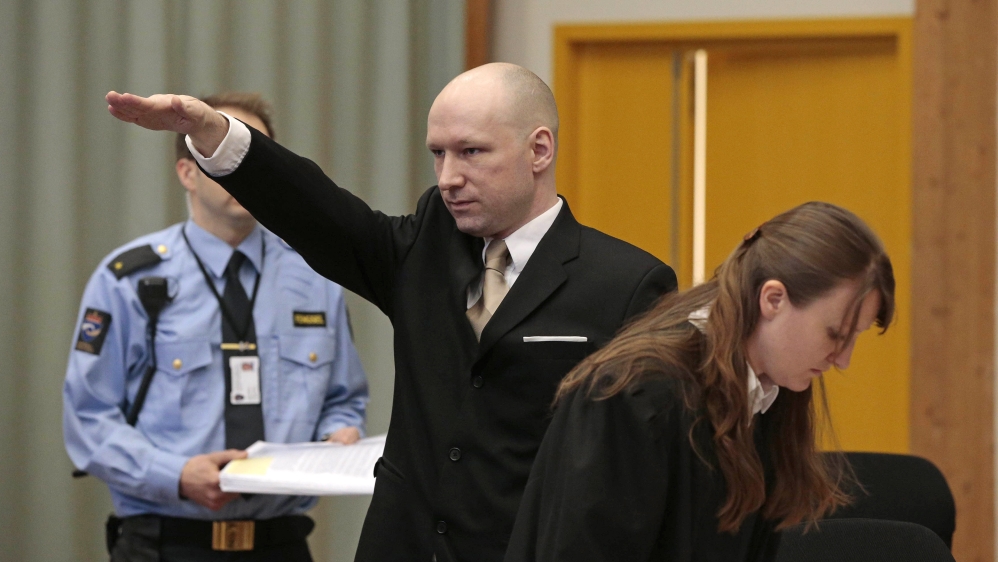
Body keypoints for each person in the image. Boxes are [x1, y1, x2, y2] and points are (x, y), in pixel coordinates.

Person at [104, 63, 678, 562]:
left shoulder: (627, 285)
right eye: (438, 154)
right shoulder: (428, 244)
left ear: (539, 150)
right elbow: (319, 211)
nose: (449, 177)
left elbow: (641, 477)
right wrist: (214, 133)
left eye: (471, 152)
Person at [63, 92, 369, 562]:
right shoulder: (129, 280)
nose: (242, 172)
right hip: (167, 545)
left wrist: (340, 433)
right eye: (222, 154)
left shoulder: (314, 276)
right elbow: (89, 417)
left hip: (281, 545)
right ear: (187, 172)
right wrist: (175, 474)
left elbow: (343, 398)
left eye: (253, 157)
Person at [503, 201, 896, 562]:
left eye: (854, 338)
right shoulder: (636, 396)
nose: (843, 360)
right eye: (835, 334)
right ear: (773, 299)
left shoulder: (770, 391)